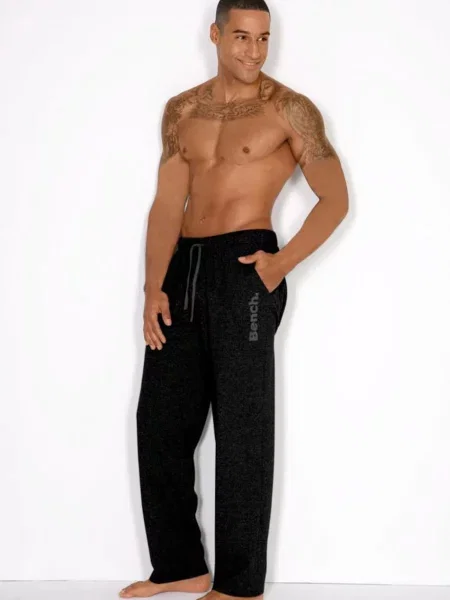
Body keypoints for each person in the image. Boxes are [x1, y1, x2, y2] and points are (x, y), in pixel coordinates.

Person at [119, 0, 348, 598]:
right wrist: (152, 286)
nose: (254, 50)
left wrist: (279, 264)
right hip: (183, 267)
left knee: (243, 429)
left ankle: (240, 585)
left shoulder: (289, 108)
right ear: (216, 34)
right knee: (160, 423)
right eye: (243, 37)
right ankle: (180, 567)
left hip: (247, 265)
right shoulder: (182, 110)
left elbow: (335, 198)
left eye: (263, 38)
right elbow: (167, 203)